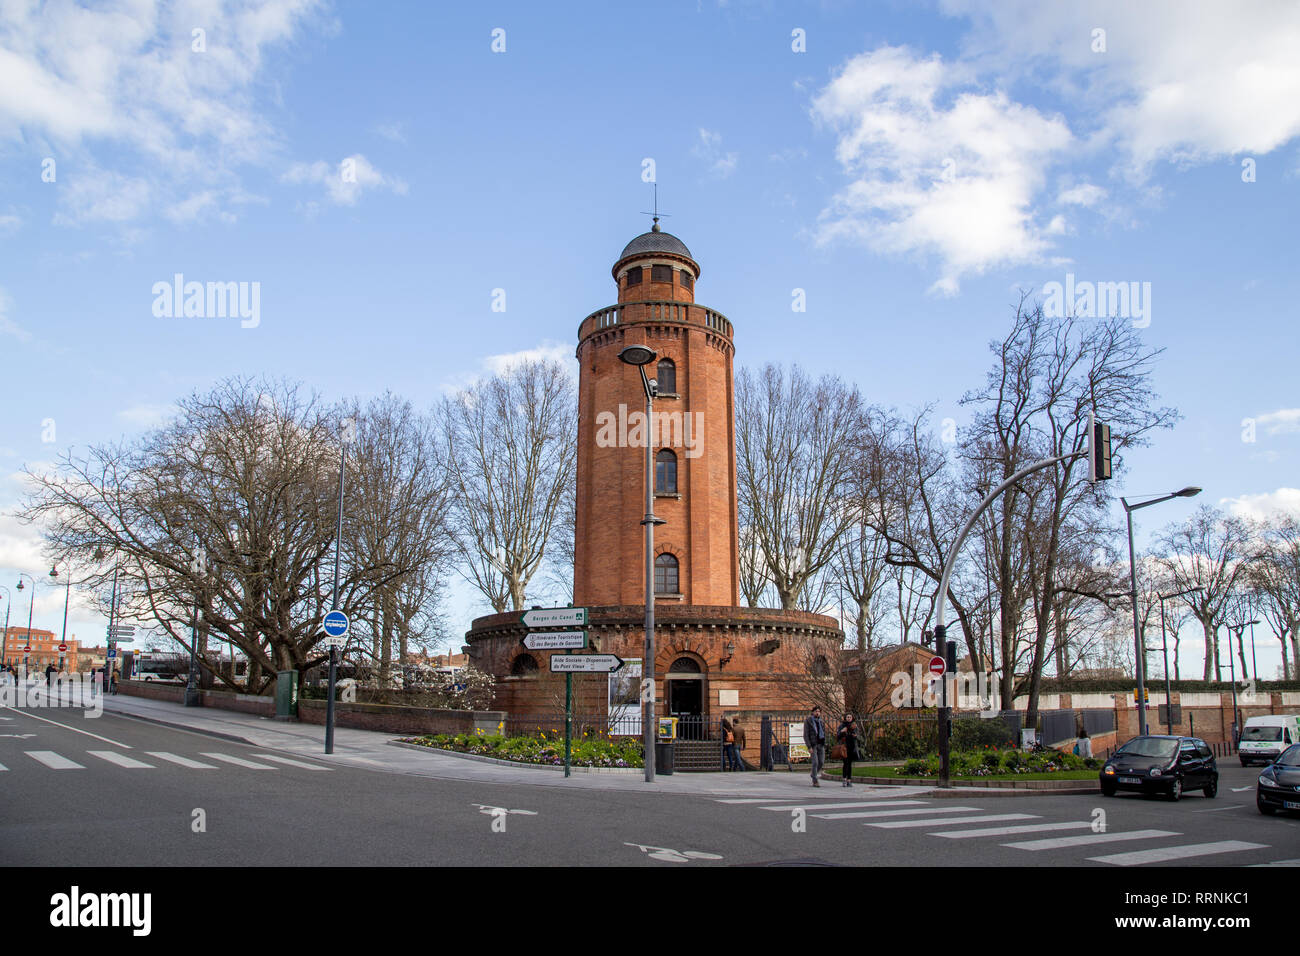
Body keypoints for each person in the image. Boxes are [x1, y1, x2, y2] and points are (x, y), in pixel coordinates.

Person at [803, 706, 826, 787]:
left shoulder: (821, 721)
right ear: (812, 712)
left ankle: (813, 773)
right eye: (816, 711)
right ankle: (815, 780)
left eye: (819, 711)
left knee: (821, 762)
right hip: (813, 745)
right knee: (815, 762)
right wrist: (809, 746)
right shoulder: (808, 721)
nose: (817, 713)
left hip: (821, 744)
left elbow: (823, 732)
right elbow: (806, 735)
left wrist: (824, 742)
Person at [836, 713, 860, 787]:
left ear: (852, 718)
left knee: (849, 764)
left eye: (850, 717)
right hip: (844, 747)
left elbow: (859, 737)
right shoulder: (842, 726)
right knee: (845, 763)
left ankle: (849, 780)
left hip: (852, 747)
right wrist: (842, 731)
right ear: (845, 718)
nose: (849, 718)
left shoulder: (855, 726)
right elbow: (838, 736)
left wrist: (856, 736)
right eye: (847, 717)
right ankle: (844, 779)